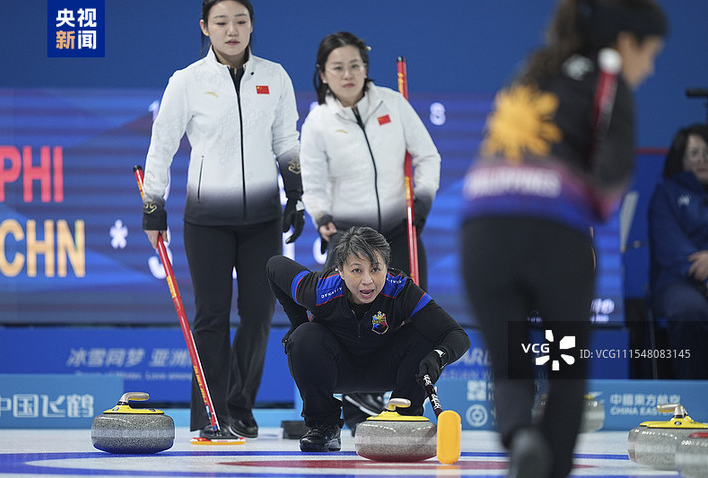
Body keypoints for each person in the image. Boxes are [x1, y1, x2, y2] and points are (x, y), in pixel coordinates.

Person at [460, 0, 667, 477]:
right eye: (651, 53)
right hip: (551, 238)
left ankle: (520, 436)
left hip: (481, 234)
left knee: (510, 361)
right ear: (626, 42)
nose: (651, 68)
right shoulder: (609, 80)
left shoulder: (534, 69)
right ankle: (550, 464)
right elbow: (609, 185)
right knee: (564, 364)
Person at [141, 0, 305, 440]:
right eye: (221, 22)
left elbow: (286, 140)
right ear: (205, 27)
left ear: (251, 26)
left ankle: (239, 406)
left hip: (262, 218)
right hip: (207, 219)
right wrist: (153, 206)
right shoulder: (187, 81)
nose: (231, 30)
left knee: (259, 314)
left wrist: (296, 194)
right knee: (211, 316)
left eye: (240, 21)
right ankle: (210, 415)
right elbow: (162, 144)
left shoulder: (275, 76)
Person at [299, 31, 442, 427]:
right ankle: (350, 408)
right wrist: (321, 216)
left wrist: (422, 202)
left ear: (366, 68)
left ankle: (406, 411)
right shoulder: (318, 122)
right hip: (349, 241)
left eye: (355, 65)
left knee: (413, 320)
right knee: (345, 326)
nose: (348, 74)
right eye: (338, 68)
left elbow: (428, 156)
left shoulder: (393, 104)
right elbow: (312, 181)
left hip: (400, 231)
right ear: (323, 74)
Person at [267, 226, 470, 452]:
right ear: (340, 270)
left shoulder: (401, 290)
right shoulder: (320, 289)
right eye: (356, 270)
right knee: (303, 336)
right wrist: (298, 323)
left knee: (426, 333)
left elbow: (457, 335)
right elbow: (274, 265)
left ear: (386, 267)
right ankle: (324, 426)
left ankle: (404, 417)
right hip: (336, 368)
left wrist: (437, 358)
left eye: (375, 269)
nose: (367, 281)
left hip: (385, 368)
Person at [648, 123, 708, 379]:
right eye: (694, 153)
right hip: (677, 282)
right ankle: (696, 393)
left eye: (707, 152)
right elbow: (669, 244)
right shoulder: (666, 193)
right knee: (689, 309)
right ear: (681, 159)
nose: (702, 159)